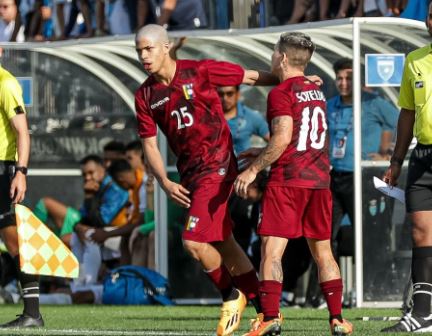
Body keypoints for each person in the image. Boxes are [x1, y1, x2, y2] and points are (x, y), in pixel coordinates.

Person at [134, 23, 283, 336]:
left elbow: (251, 76)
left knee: (193, 241)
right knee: (224, 243)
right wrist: (163, 181)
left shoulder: (199, 71)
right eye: (139, 50)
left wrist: (290, 80)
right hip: (191, 174)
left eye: (149, 48)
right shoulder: (145, 95)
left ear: (166, 47)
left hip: (217, 166)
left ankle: (231, 296)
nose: (143, 55)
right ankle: (267, 314)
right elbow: (149, 144)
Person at [234, 32, 353, 335]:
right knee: (323, 252)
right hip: (319, 184)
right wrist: (263, 150)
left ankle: (271, 316)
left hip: (287, 182)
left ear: (283, 58)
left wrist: (253, 169)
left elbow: (284, 137)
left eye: (274, 53)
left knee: (272, 252)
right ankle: (337, 318)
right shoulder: (317, 92)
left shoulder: (280, 93)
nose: (272, 58)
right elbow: (302, 139)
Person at [381, 2, 432, 332]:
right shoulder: (415, 60)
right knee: (420, 232)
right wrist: (396, 161)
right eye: (430, 15)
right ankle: (424, 313)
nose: (431, 21)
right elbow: (407, 114)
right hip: (423, 157)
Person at [327, 57, 399, 259]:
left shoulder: (372, 103)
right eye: (339, 78)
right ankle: (330, 287)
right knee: (326, 235)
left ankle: (370, 284)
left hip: (362, 178)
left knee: (366, 233)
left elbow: (403, 121)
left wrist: (388, 153)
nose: (343, 83)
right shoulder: (330, 105)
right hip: (333, 178)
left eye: (349, 78)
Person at [0, 60, 43, 327]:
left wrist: (21, 172)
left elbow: (22, 132)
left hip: (3, 170)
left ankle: (32, 313)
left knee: (14, 241)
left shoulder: (5, 83)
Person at [218, 85, 270, 156]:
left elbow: (275, 141)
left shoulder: (251, 116)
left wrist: (260, 151)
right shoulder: (208, 117)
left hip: (241, 165)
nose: (225, 98)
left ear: (238, 94)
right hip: (214, 165)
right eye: (221, 94)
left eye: (229, 94)